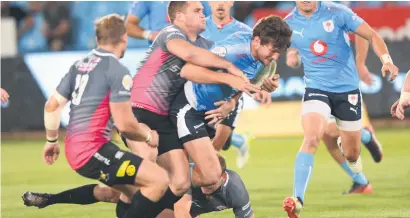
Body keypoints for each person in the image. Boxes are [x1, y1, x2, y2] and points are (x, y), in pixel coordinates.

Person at [122, 1, 263, 217]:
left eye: (202, 10)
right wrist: (228, 68)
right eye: (196, 10)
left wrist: (261, 84)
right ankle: (119, 191)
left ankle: (134, 208)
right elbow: (191, 56)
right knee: (148, 160)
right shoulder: (171, 33)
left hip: (165, 118)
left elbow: (227, 75)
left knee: (180, 182)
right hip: (139, 109)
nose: (203, 13)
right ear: (178, 17)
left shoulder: (207, 45)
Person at [38, 14, 175, 218]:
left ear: (97, 39)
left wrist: (51, 141)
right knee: (159, 180)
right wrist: (148, 136)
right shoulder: (117, 70)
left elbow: (51, 105)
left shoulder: (79, 65)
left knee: (133, 195)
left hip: (75, 149)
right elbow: (125, 125)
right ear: (124, 38)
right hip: (93, 150)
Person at [283, 2, 399, 217]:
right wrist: (289, 55)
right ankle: (297, 200)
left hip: (347, 89)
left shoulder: (337, 12)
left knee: (352, 154)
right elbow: (276, 49)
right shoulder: (287, 23)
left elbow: (370, 34)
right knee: (312, 137)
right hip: (316, 88)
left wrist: (382, 61)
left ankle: (362, 138)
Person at [169, 15, 290, 189]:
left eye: (279, 52)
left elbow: (243, 85)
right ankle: (161, 183)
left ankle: (172, 195)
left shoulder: (266, 63)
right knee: (204, 174)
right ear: (256, 41)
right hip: (189, 107)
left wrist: (232, 103)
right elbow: (187, 70)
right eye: (273, 50)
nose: (276, 57)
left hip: (211, 115)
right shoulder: (231, 50)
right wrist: (227, 78)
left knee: (208, 178)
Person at [22, 155, 255, 218]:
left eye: (211, 182)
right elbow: (182, 212)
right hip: (165, 192)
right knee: (111, 194)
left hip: (177, 210)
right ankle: (49, 199)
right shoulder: (188, 175)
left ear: (222, 176)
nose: (203, 184)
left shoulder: (234, 189)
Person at [200, 1, 255, 169]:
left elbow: (257, 65)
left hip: (230, 97)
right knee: (198, 151)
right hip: (200, 95)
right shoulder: (197, 27)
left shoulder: (245, 32)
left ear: (232, 2)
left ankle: (212, 192)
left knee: (213, 152)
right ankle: (237, 139)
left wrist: (261, 86)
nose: (221, 4)